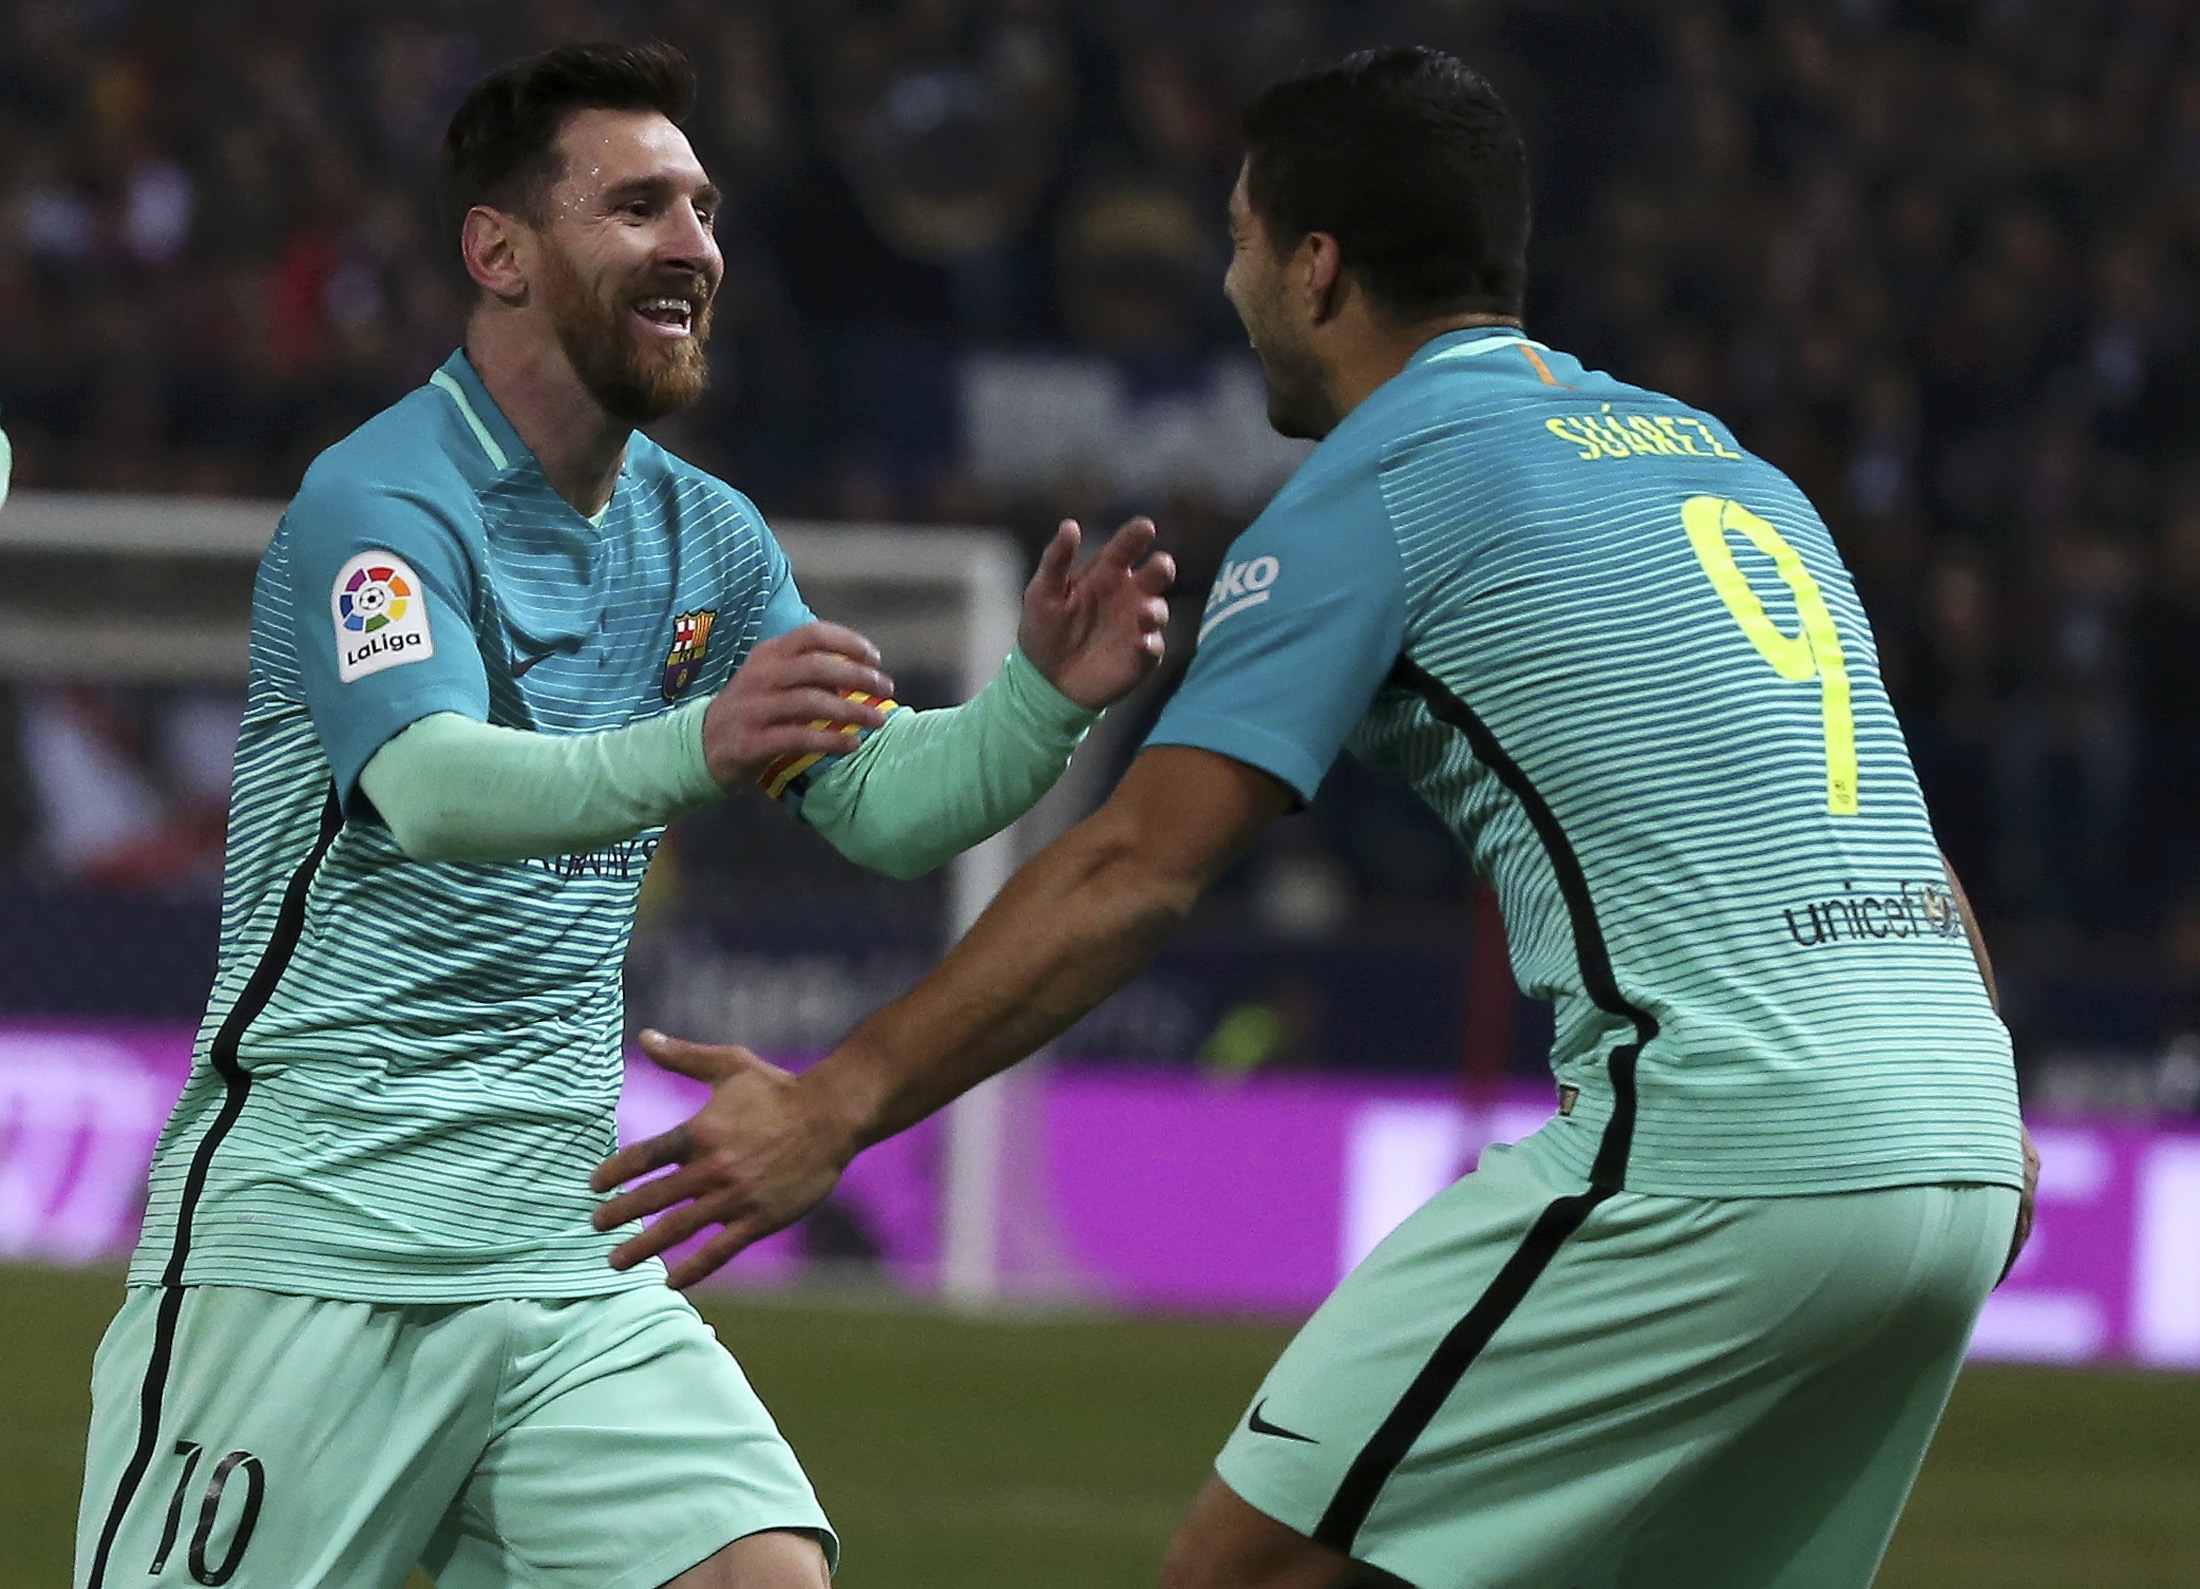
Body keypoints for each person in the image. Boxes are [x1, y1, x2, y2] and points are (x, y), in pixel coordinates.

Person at [596, 46, 2039, 1589]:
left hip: (1718, 1143)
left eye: (1238, 241)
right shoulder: (1740, 476)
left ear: (1319, 267)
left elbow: (1141, 868)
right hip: (1963, 1148)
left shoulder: (1383, 484)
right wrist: (1966, 1139)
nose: (1229, 286)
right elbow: (1908, 852)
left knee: (1256, 1568)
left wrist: (833, 1108)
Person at [74, 41, 1171, 1589]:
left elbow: (881, 807)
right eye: (640, 205)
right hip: (316, 1246)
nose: (695, 245)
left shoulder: (703, 535)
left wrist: (1039, 702)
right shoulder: (380, 502)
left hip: (560, 1251)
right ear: (500, 251)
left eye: (705, 208)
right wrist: (698, 741)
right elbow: (432, 788)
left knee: (758, 1571)